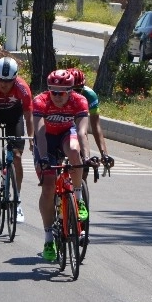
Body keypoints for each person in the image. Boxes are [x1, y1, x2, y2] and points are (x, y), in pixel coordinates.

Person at [33, 69, 91, 263]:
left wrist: (87, 158)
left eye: (62, 92)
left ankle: (78, 197)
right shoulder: (41, 101)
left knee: (75, 152)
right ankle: (49, 238)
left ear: (71, 91)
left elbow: (83, 134)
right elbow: (40, 134)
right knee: (49, 186)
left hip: (67, 135)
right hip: (46, 141)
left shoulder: (79, 101)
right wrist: (42, 159)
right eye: (53, 92)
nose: (57, 96)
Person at [0, 57, 34, 223]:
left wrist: (31, 138)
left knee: (17, 157)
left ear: (15, 78)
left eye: (8, 81)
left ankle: (17, 201)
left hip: (14, 116)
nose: (4, 84)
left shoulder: (23, 89)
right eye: (1, 80)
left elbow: (28, 116)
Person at [67, 67, 113, 163]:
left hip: (77, 122)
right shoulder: (58, 95)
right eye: (72, 91)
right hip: (61, 124)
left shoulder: (90, 95)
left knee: (85, 162)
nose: (75, 94)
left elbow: (95, 125)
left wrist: (104, 153)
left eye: (78, 90)